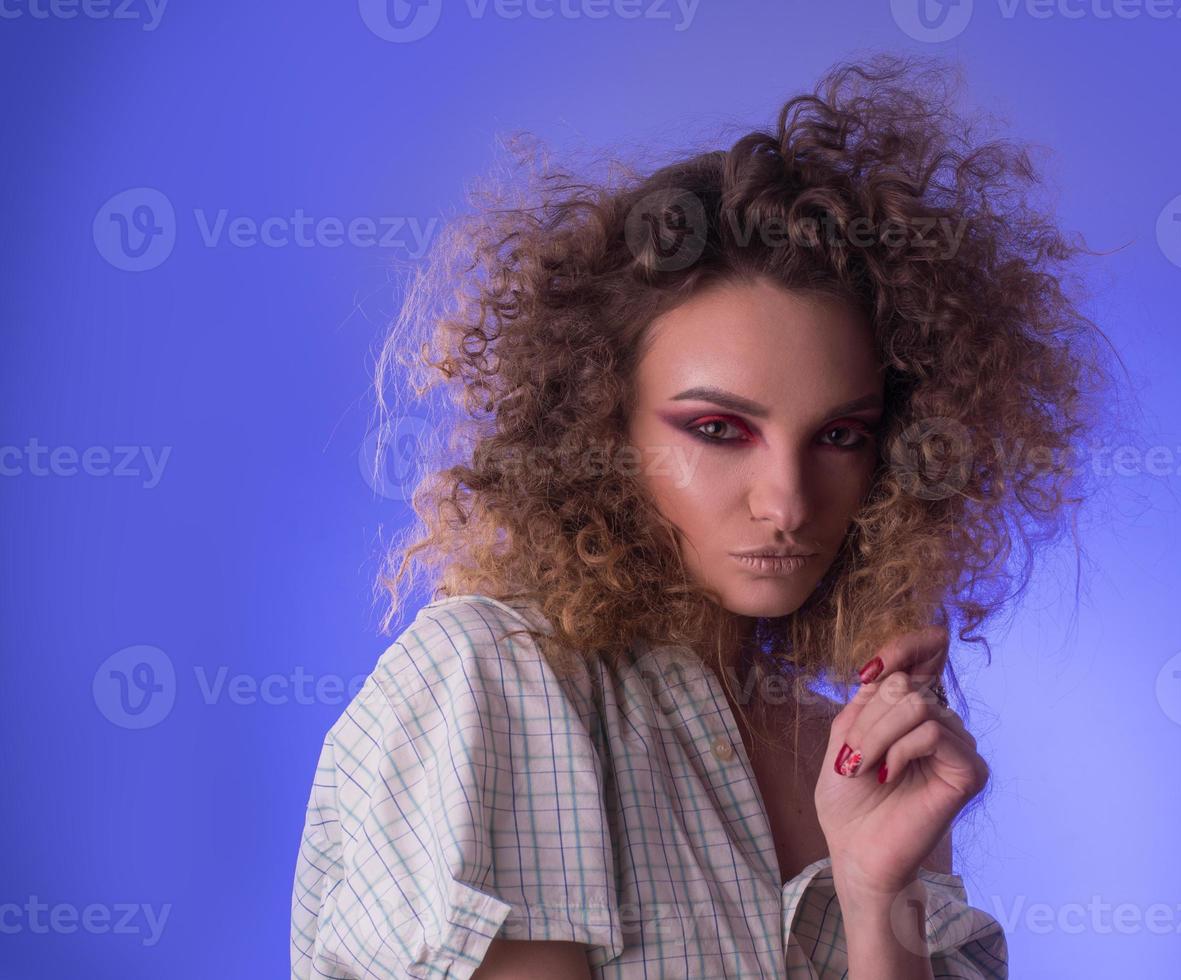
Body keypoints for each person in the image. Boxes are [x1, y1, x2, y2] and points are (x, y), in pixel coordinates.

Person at [291, 53, 1117, 978]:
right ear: (599, 425)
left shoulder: (850, 757)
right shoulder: (499, 679)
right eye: (719, 428)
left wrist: (879, 897)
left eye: (840, 435)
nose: (787, 501)